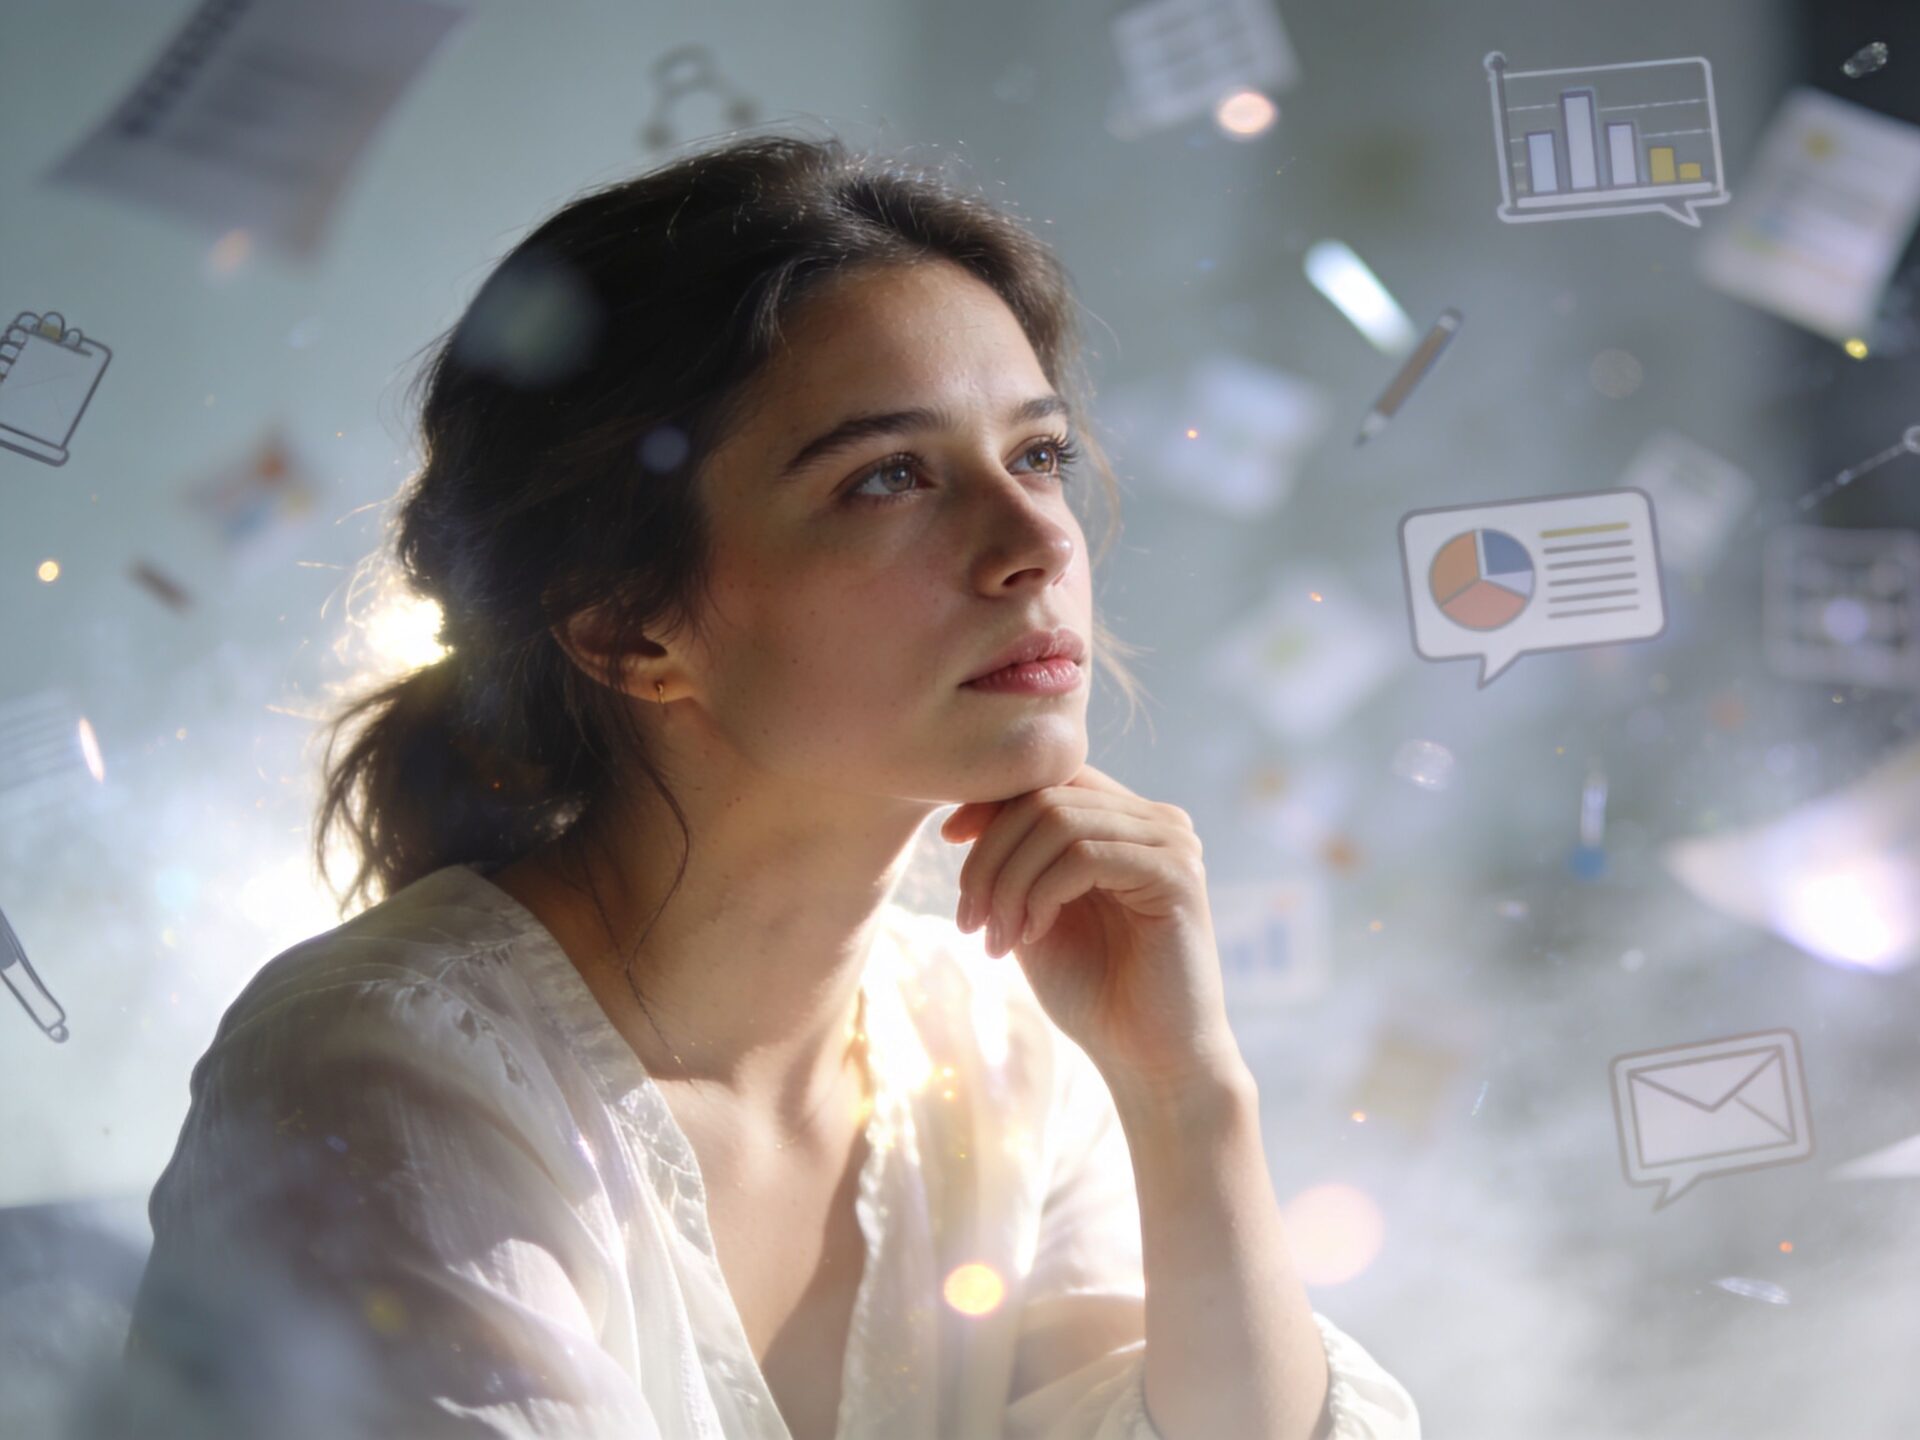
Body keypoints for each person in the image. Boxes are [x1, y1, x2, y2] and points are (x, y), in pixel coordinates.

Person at [113, 135, 1422, 1440]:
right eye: (888, 478)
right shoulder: (381, 1077)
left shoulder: (1002, 1054)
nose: (1037, 545)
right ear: (631, 627)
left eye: (1037, 456)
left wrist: (1187, 1093)